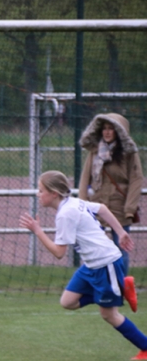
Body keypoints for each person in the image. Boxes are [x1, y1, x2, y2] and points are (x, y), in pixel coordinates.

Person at [20, 171, 146, 361]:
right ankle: (120, 288)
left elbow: (59, 253)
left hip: (106, 263)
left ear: (54, 193)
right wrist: (120, 232)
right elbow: (102, 208)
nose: (38, 194)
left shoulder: (65, 214)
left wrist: (38, 231)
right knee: (68, 302)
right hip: (91, 265)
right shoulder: (72, 203)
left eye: (41, 190)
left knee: (109, 315)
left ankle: (145, 347)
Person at [78, 113, 143, 272]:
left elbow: (136, 179)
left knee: (121, 249)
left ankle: (121, 284)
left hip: (119, 207)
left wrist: (129, 208)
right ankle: (98, 282)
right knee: (95, 248)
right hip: (97, 205)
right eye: (104, 128)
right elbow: (85, 179)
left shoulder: (129, 154)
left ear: (119, 131)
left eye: (111, 129)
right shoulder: (94, 151)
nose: (107, 132)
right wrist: (82, 205)